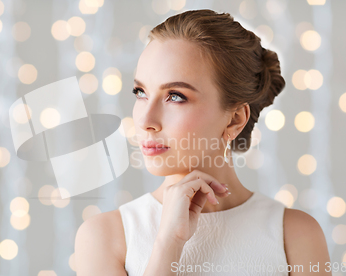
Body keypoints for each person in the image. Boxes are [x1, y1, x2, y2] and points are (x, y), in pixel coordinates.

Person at [75, 9, 331, 276]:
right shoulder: (104, 237)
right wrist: (168, 243)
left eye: (175, 96)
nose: (145, 120)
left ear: (234, 119)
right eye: (141, 92)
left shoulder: (295, 235)